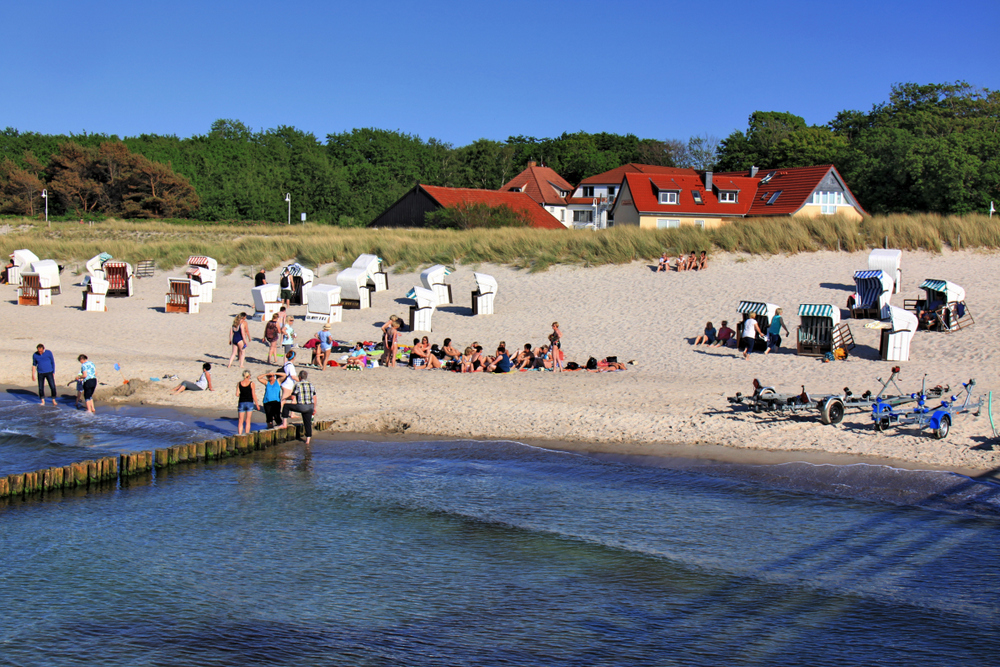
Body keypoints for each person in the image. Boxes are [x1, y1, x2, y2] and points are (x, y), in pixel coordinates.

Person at [281, 370, 318, 445]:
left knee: (286, 406)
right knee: (307, 423)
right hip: (310, 406)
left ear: (300, 377)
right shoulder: (311, 385)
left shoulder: (298, 385)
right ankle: (307, 440)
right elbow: (314, 398)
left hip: (301, 406)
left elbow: (292, 397)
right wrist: (314, 408)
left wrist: (285, 398)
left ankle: (284, 423)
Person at [236, 370, 260, 435]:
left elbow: (237, 394)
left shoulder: (239, 383)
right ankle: (246, 434)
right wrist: (257, 404)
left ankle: (240, 434)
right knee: (248, 420)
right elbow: (253, 395)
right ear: (249, 376)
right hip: (249, 402)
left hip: (241, 402)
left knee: (240, 421)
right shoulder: (251, 383)